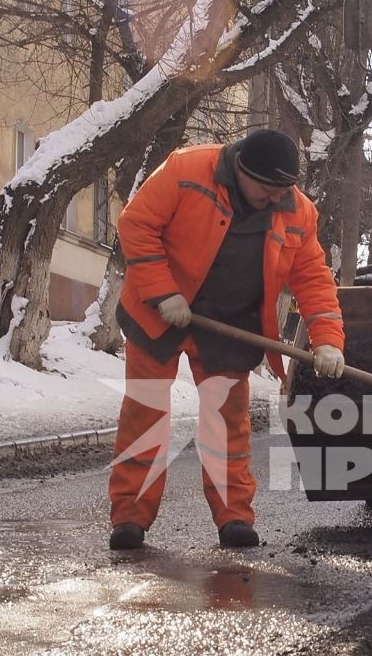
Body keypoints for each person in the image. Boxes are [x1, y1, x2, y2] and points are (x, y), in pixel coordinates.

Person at [109, 128, 345, 551]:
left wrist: (327, 341)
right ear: (240, 169)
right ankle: (130, 518)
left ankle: (234, 518)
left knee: (227, 425)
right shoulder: (186, 169)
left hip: (230, 323)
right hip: (158, 312)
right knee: (145, 415)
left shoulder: (298, 212)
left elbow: (312, 278)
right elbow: (136, 224)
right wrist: (164, 291)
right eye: (267, 189)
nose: (275, 199)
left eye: (283, 190)